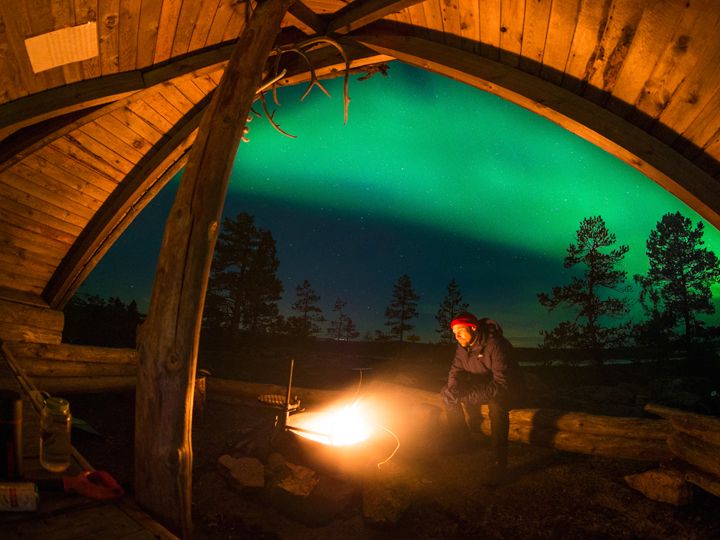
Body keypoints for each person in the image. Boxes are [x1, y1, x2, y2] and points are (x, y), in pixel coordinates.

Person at [440, 312, 524, 484]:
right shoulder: (463, 346)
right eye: (454, 333)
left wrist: (469, 396)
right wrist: (453, 389)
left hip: (508, 389)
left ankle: (498, 462)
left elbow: (502, 384)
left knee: (497, 406)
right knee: (447, 392)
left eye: (460, 331)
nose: (457, 336)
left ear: (473, 328)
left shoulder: (496, 345)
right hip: (483, 386)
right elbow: (455, 371)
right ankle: (461, 439)